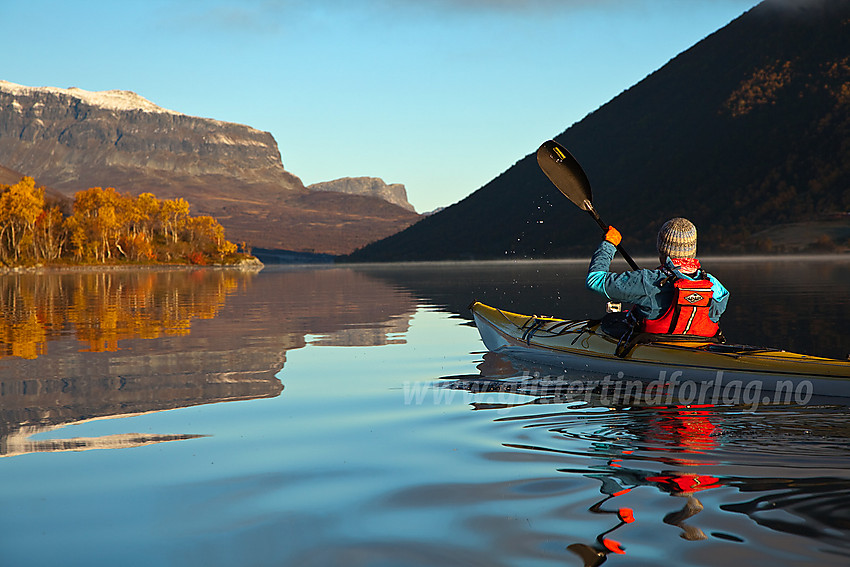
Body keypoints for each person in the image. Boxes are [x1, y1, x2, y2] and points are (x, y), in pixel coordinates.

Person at [586, 218, 729, 339]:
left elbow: (595, 280)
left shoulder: (649, 280)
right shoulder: (714, 285)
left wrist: (609, 244)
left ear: (662, 248)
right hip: (699, 346)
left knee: (612, 320)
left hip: (654, 345)